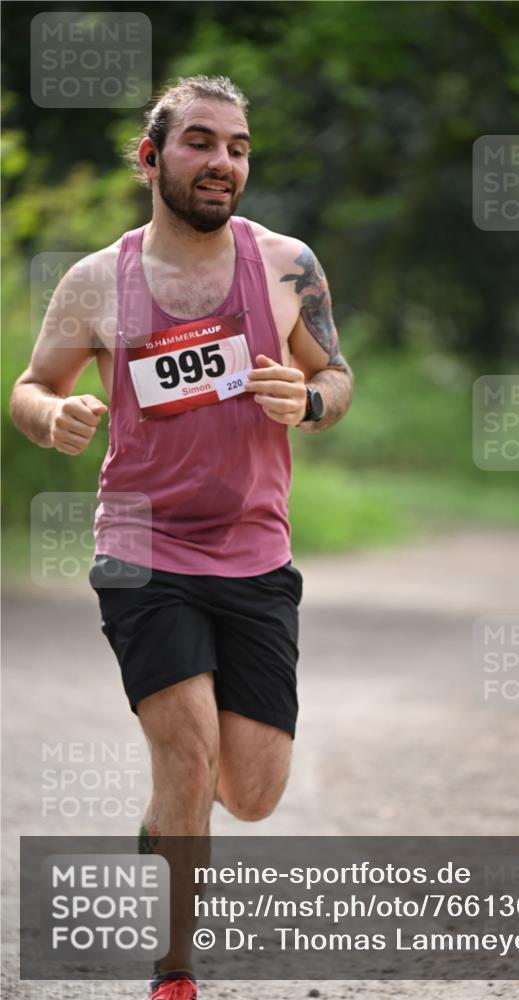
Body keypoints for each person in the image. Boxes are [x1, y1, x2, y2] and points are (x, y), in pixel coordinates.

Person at [10, 75, 353, 1000]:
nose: (222, 163)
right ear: (150, 157)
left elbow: (336, 373)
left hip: (255, 553)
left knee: (249, 789)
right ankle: (175, 970)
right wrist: (54, 417)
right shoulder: (95, 281)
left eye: (237, 147)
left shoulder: (286, 266)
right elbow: (30, 386)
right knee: (187, 750)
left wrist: (311, 398)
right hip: (140, 549)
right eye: (200, 142)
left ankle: (166, 835)